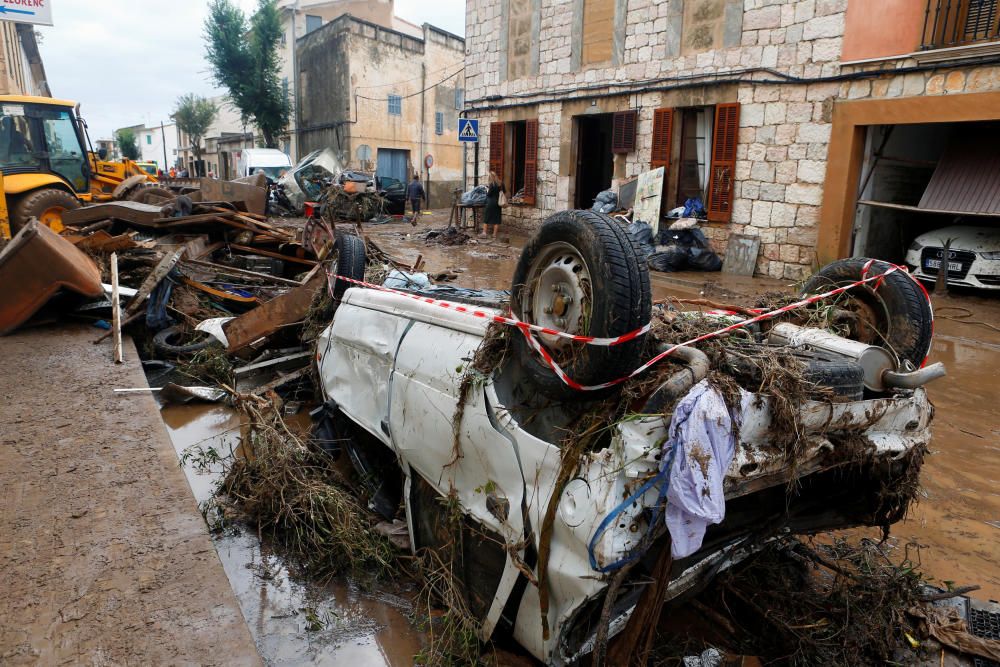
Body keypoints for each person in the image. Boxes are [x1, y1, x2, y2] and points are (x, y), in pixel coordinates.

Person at [482, 171, 505, 238]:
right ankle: (494, 234)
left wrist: (487, 189)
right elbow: (505, 192)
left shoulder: (492, 184)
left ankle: (484, 233)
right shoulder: (501, 183)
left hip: (490, 203)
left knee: (486, 218)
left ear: (490, 177)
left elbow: (489, 194)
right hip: (498, 203)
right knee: (496, 219)